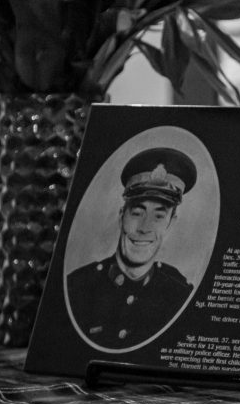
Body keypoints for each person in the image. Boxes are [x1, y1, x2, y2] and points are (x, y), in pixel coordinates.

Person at [68, 147, 198, 347]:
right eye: (137, 212)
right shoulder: (78, 287)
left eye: (159, 216)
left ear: (171, 224)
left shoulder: (179, 295)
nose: (145, 228)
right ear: (122, 216)